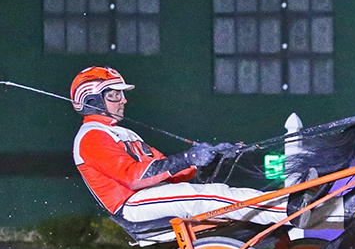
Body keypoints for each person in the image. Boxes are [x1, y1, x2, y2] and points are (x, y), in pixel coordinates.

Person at [70, 66, 312, 239]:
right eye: (114, 95)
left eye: (121, 94)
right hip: (131, 205)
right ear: (92, 99)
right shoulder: (91, 136)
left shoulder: (125, 133)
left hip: (149, 196)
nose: (123, 100)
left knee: (214, 192)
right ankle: (288, 210)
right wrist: (188, 157)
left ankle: (284, 206)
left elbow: (167, 169)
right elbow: (134, 177)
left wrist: (208, 158)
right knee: (209, 196)